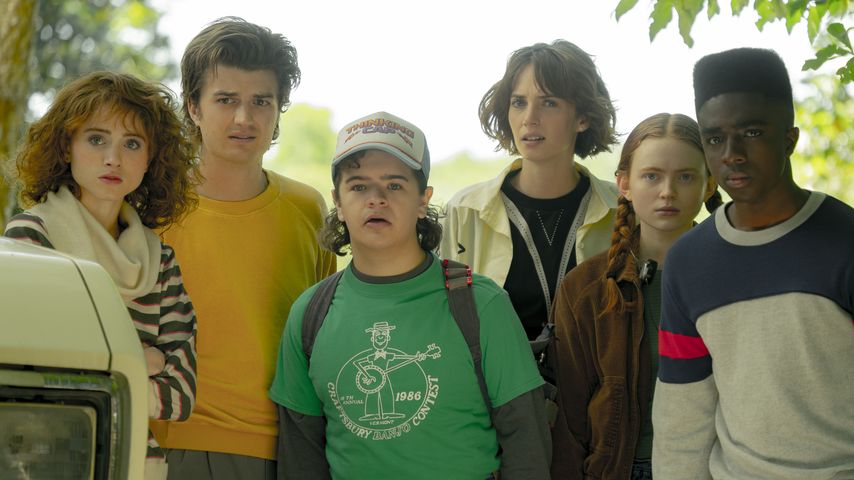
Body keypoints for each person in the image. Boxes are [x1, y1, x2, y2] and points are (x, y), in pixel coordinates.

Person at [269, 111, 551, 479]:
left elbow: (528, 444)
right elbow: (300, 455)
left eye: (394, 185)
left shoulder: (482, 304)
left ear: (423, 200)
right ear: (338, 201)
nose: (376, 199)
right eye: (358, 187)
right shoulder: (310, 313)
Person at [148, 17, 337, 479]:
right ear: (193, 107)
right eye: (226, 100)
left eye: (261, 102)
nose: (244, 119)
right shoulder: (151, 207)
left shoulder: (308, 209)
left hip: (290, 446)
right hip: (173, 441)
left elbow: (322, 335)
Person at [653, 47, 854, 479]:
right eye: (714, 138)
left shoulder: (845, 241)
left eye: (752, 132)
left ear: (790, 139)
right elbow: (682, 416)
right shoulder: (689, 262)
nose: (732, 153)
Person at [3, 71, 199, 480]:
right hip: (38, 459)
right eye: (96, 139)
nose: (114, 158)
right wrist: (142, 360)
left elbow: (181, 397)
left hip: (136, 463)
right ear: (66, 147)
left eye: (132, 144)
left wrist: (93, 367)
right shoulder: (30, 238)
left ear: (151, 159)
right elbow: (26, 371)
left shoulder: (161, 259)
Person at [549, 113, 720, 479]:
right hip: (621, 470)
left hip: (715, 467)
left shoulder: (736, 279)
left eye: (685, 177)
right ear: (624, 184)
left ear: (709, 185)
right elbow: (569, 418)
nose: (668, 191)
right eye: (652, 176)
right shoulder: (586, 289)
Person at [440, 40, 619, 343]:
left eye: (548, 103)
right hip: (493, 376)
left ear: (583, 118)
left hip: (595, 375)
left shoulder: (622, 209)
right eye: (519, 102)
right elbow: (444, 323)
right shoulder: (464, 211)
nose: (529, 118)